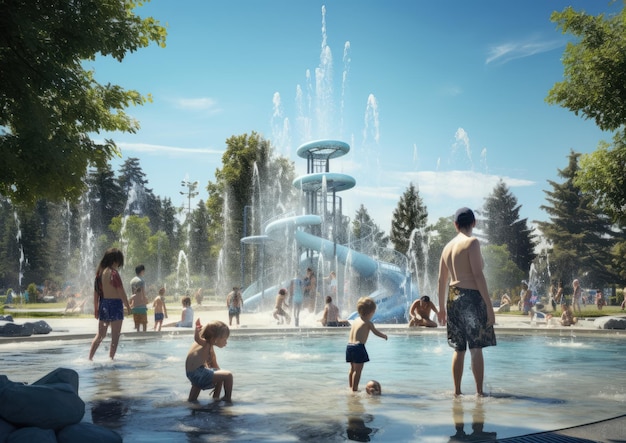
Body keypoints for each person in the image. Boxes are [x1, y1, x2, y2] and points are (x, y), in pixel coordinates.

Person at [437, 207, 496, 397]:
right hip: (471, 297)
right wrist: (489, 305)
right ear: (474, 223)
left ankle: (457, 392)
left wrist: (440, 309)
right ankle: (479, 393)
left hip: (453, 298)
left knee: (459, 348)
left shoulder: (447, 248)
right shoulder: (472, 242)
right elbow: (478, 275)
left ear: (455, 225)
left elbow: (441, 280)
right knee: (476, 347)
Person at [88, 248, 132, 361]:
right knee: (115, 335)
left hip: (104, 304)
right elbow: (121, 291)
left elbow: (96, 293)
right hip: (116, 305)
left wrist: (96, 308)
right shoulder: (114, 273)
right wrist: (127, 306)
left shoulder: (100, 273)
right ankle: (111, 359)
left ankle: (90, 358)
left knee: (100, 335)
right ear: (116, 261)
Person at [346, 296, 388, 392]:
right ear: (371, 312)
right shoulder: (368, 323)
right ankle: (354, 389)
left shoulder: (356, 321)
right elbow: (375, 332)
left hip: (349, 346)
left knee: (352, 369)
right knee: (358, 370)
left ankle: (350, 387)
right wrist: (384, 336)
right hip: (358, 347)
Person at [186, 318, 233, 402]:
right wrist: (196, 328)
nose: (226, 342)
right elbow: (197, 338)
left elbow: (214, 365)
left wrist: (220, 374)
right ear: (215, 338)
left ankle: (192, 400)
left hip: (192, 374)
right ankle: (227, 399)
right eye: (225, 339)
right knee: (228, 376)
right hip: (198, 373)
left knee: (220, 374)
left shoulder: (207, 347)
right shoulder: (206, 343)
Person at [129, 264, 148, 332]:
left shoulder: (132, 281)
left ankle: (137, 339)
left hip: (135, 305)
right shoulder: (141, 281)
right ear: (142, 271)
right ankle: (144, 339)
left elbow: (133, 293)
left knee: (137, 324)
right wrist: (145, 300)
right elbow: (143, 292)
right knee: (144, 323)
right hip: (141, 305)